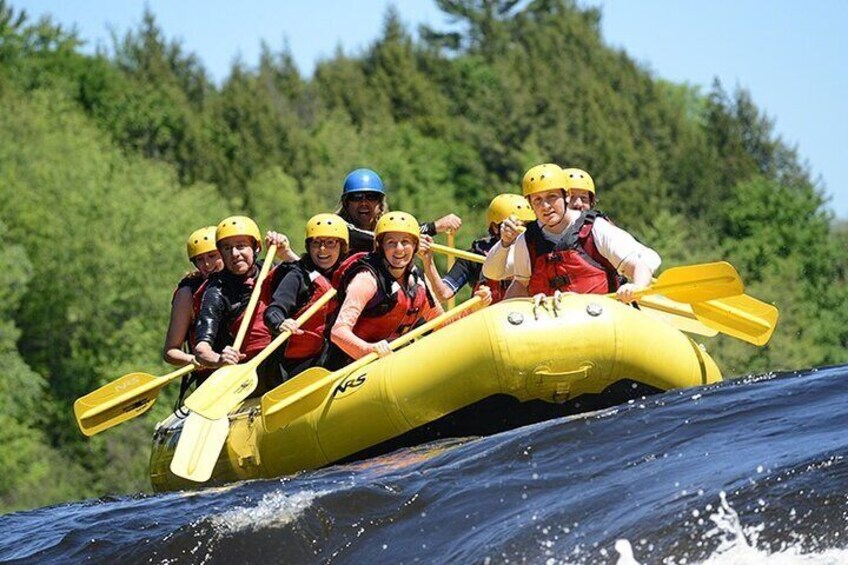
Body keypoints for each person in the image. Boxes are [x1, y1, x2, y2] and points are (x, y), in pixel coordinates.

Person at [328, 211, 491, 366]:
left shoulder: (417, 282)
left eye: (405, 242)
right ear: (381, 246)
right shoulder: (366, 280)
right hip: (351, 363)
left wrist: (473, 308)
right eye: (391, 242)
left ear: (415, 246)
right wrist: (368, 349)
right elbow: (338, 331)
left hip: (388, 362)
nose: (399, 249)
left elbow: (442, 324)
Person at [482, 163, 659, 303]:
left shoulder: (596, 228)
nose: (545, 206)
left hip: (600, 319)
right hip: (548, 325)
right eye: (537, 200)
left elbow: (639, 266)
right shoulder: (527, 240)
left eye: (552, 196)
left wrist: (636, 287)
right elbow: (520, 285)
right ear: (530, 203)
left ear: (566, 196)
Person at [193, 215, 297, 395]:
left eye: (241, 246)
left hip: (283, 360)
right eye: (227, 248)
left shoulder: (272, 269)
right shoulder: (216, 291)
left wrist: (286, 253)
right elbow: (201, 350)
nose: (234, 254)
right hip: (248, 373)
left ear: (256, 248)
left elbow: (315, 282)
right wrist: (219, 359)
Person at [263, 213, 351, 382]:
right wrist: (280, 322)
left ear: (342, 247)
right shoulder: (297, 276)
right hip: (291, 366)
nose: (322, 250)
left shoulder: (347, 276)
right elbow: (273, 310)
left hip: (327, 357)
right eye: (316, 243)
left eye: (330, 243)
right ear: (309, 247)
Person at [418, 193, 536, 304]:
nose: (520, 233)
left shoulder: (536, 250)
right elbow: (442, 294)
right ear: (495, 228)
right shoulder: (475, 256)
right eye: (513, 227)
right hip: (487, 320)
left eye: (526, 226)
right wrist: (428, 260)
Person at [337, 168, 464, 253]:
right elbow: (363, 238)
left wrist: (435, 227)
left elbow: (399, 232)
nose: (364, 203)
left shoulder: (385, 231)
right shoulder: (338, 228)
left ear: (380, 203)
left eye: (371, 196)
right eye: (356, 197)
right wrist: (408, 243)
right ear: (346, 203)